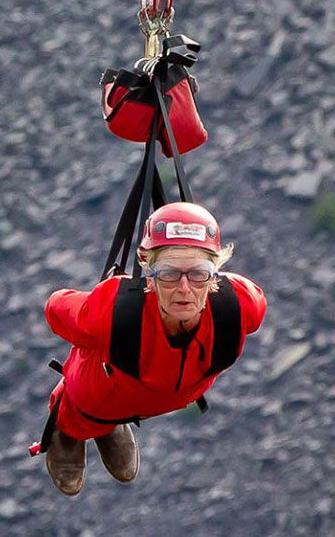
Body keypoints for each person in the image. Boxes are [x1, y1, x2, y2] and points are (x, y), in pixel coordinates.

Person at [42, 202, 266, 495]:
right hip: (97, 397)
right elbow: (56, 308)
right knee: (85, 412)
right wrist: (94, 330)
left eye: (198, 273)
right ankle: (70, 431)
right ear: (148, 273)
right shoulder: (113, 310)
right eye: (169, 274)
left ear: (215, 275)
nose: (184, 289)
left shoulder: (238, 307)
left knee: (114, 402)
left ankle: (110, 426)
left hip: (157, 395)